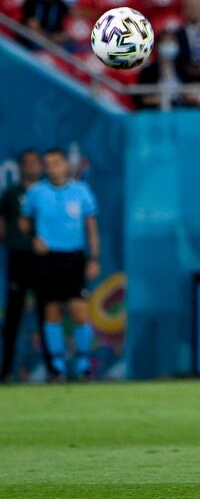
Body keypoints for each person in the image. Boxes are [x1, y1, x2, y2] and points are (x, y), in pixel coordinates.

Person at [19, 149, 100, 380]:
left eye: (57, 163)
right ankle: (57, 368)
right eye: (48, 164)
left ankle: (84, 365)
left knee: (79, 311)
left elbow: (91, 227)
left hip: (73, 258)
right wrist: (34, 236)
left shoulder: (81, 191)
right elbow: (24, 222)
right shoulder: (37, 193)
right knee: (51, 312)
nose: (52, 167)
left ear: (66, 165)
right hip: (47, 259)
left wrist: (94, 257)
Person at [0, 151, 55, 382]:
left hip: (43, 260)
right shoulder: (11, 193)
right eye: (27, 163)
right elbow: (3, 222)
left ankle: (54, 369)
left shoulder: (48, 193)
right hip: (19, 257)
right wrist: (12, 239)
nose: (32, 166)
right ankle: (6, 369)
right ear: (20, 166)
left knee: (48, 314)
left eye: (35, 162)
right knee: (13, 316)